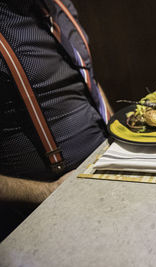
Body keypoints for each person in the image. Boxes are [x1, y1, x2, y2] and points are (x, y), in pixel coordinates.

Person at [0, 0, 111, 240]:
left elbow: (86, 76)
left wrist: (117, 130)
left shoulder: (60, 6)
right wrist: (46, 191)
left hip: (108, 161)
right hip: (42, 210)